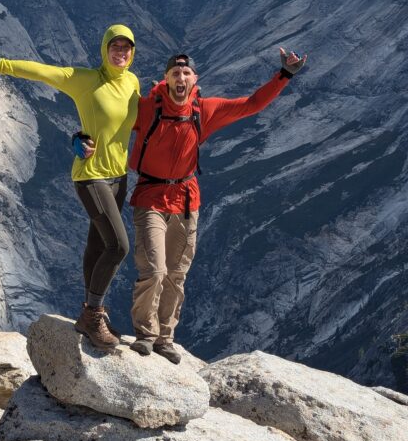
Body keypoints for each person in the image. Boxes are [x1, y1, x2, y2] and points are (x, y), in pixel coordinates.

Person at [0, 25, 140, 353]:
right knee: (119, 246)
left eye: (127, 48)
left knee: (97, 245)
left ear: (133, 52)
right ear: (104, 49)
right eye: (115, 46)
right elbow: (42, 72)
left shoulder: (132, 83)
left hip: (119, 178)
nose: (121, 52)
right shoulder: (84, 79)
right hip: (91, 176)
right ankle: (93, 313)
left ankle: (90, 310)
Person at [128, 47, 306, 364]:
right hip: (150, 197)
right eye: (175, 74)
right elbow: (110, 119)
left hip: (185, 200)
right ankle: (145, 334)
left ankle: (165, 338)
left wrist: (284, 75)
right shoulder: (145, 108)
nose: (180, 78)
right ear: (166, 79)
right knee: (154, 271)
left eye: (186, 73)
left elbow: (251, 105)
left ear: (194, 79)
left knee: (176, 275)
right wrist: (83, 137)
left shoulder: (204, 110)